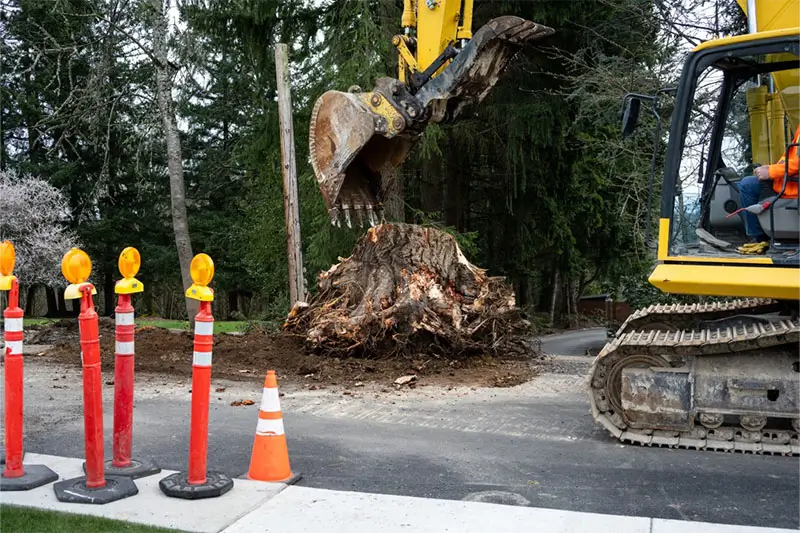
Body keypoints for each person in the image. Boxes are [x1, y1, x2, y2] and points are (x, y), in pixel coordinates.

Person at [738, 123, 800, 243]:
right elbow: (791, 158)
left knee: (748, 185)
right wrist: (771, 167)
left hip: (793, 188)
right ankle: (758, 238)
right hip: (786, 181)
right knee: (747, 184)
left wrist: (771, 172)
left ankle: (761, 239)